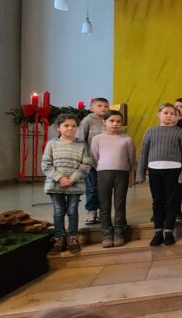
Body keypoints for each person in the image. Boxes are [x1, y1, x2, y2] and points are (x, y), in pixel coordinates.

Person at [136, 103, 182, 246]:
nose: (169, 116)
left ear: (177, 116)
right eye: (165, 113)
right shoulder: (150, 131)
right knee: (157, 201)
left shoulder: (180, 132)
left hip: (174, 171)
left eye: (172, 113)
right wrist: (140, 174)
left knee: (172, 202)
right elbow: (143, 153)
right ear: (159, 115)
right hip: (155, 170)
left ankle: (168, 232)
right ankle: (157, 232)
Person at [43, 114, 93, 254]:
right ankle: (59, 238)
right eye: (66, 125)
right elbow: (46, 164)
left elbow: (86, 163)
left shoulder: (81, 144)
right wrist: (60, 178)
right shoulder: (52, 144)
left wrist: (72, 178)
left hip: (74, 185)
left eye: (73, 126)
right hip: (55, 185)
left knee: (72, 211)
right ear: (58, 127)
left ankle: (72, 237)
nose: (70, 128)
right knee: (58, 211)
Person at [90, 110, 135, 248]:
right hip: (103, 173)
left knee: (119, 204)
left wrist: (130, 173)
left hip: (121, 173)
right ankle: (107, 233)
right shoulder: (97, 139)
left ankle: (119, 232)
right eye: (112, 121)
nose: (115, 124)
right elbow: (95, 158)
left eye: (118, 121)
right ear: (104, 122)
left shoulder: (127, 139)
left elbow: (131, 158)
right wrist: (103, 167)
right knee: (105, 204)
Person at [77, 97, 109, 225]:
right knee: (92, 188)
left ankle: (103, 211)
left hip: (106, 161)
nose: (103, 108)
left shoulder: (108, 120)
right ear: (92, 108)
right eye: (100, 105)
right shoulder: (87, 121)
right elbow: (80, 140)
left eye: (106, 106)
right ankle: (91, 211)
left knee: (105, 188)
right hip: (91, 162)